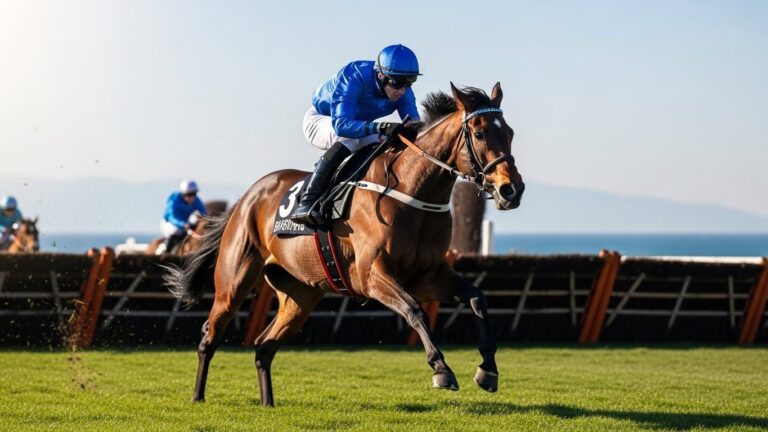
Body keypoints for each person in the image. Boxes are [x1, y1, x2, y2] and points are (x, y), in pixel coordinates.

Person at [291, 44, 422, 227]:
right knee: (350, 139)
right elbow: (341, 125)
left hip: (357, 124)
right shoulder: (354, 76)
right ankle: (307, 201)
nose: (402, 90)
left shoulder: (404, 92)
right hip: (323, 119)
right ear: (380, 75)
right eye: (397, 83)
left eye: (409, 83)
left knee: (387, 143)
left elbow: (416, 128)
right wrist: (382, 127)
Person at [157, 180, 207, 255]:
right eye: (189, 195)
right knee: (176, 230)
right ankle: (165, 249)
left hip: (185, 224)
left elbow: (204, 213)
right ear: (183, 194)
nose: (192, 197)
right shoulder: (174, 200)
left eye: (194, 194)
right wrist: (183, 224)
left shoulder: (196, 200)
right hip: (169, 223)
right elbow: (172, 217)